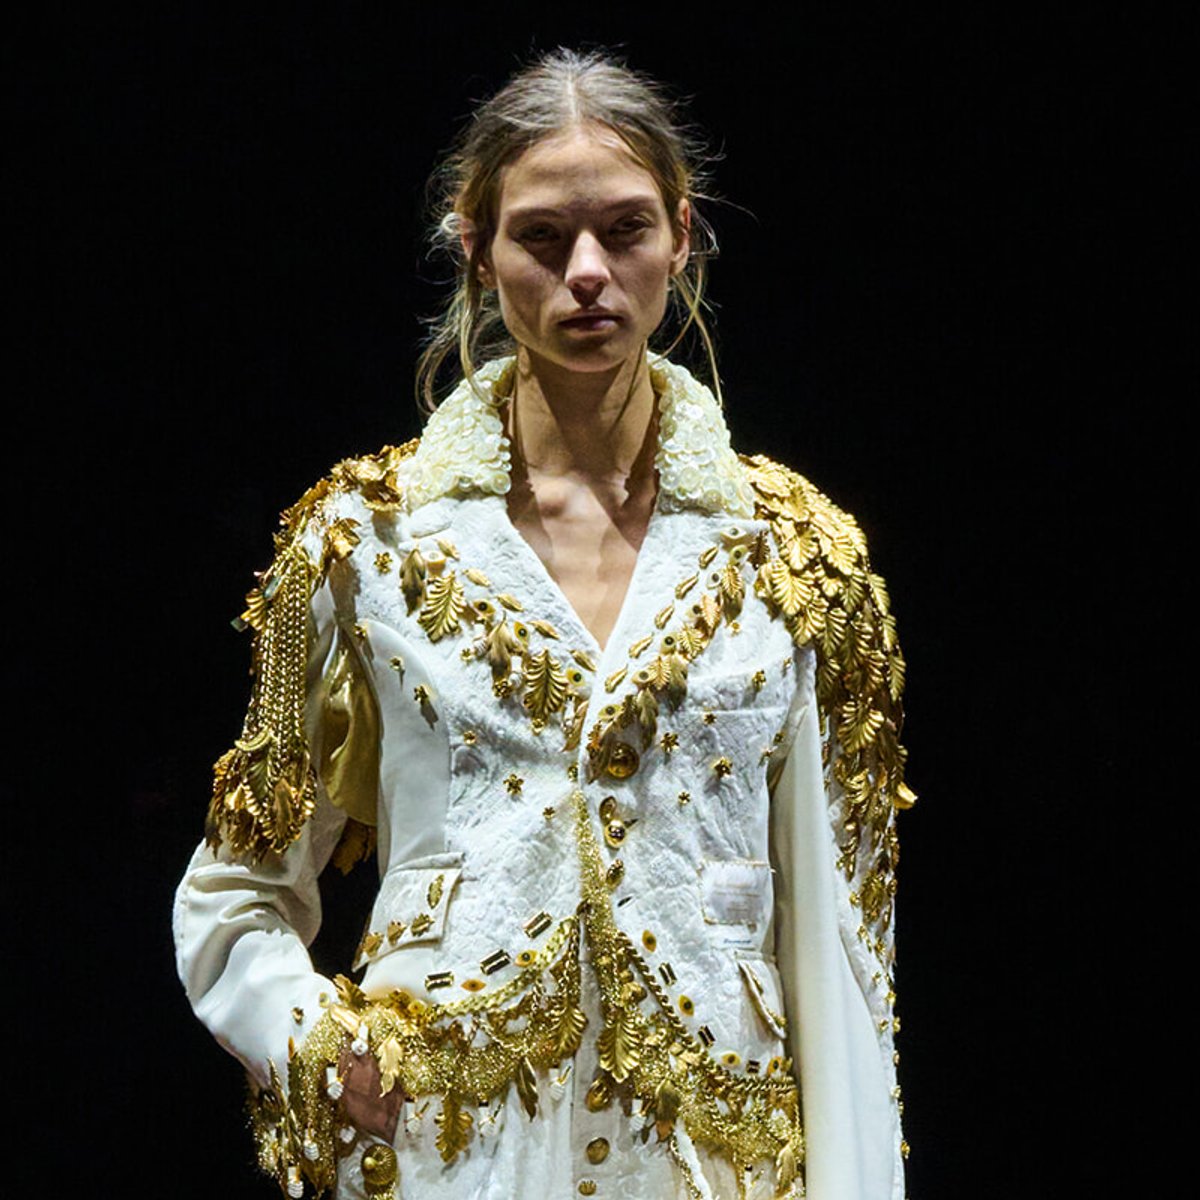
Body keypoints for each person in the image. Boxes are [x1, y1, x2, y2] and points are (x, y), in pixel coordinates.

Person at [174, 47, 915, 1200]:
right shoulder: (365, 545)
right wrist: (317, 1039)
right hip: (452, 1149)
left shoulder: (793, 554)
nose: (587, 273)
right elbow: (238, 888)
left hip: (708, 1160)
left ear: (682, 235)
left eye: (623, 231)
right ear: (475, 248)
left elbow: (843, 940)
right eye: (541, 237)